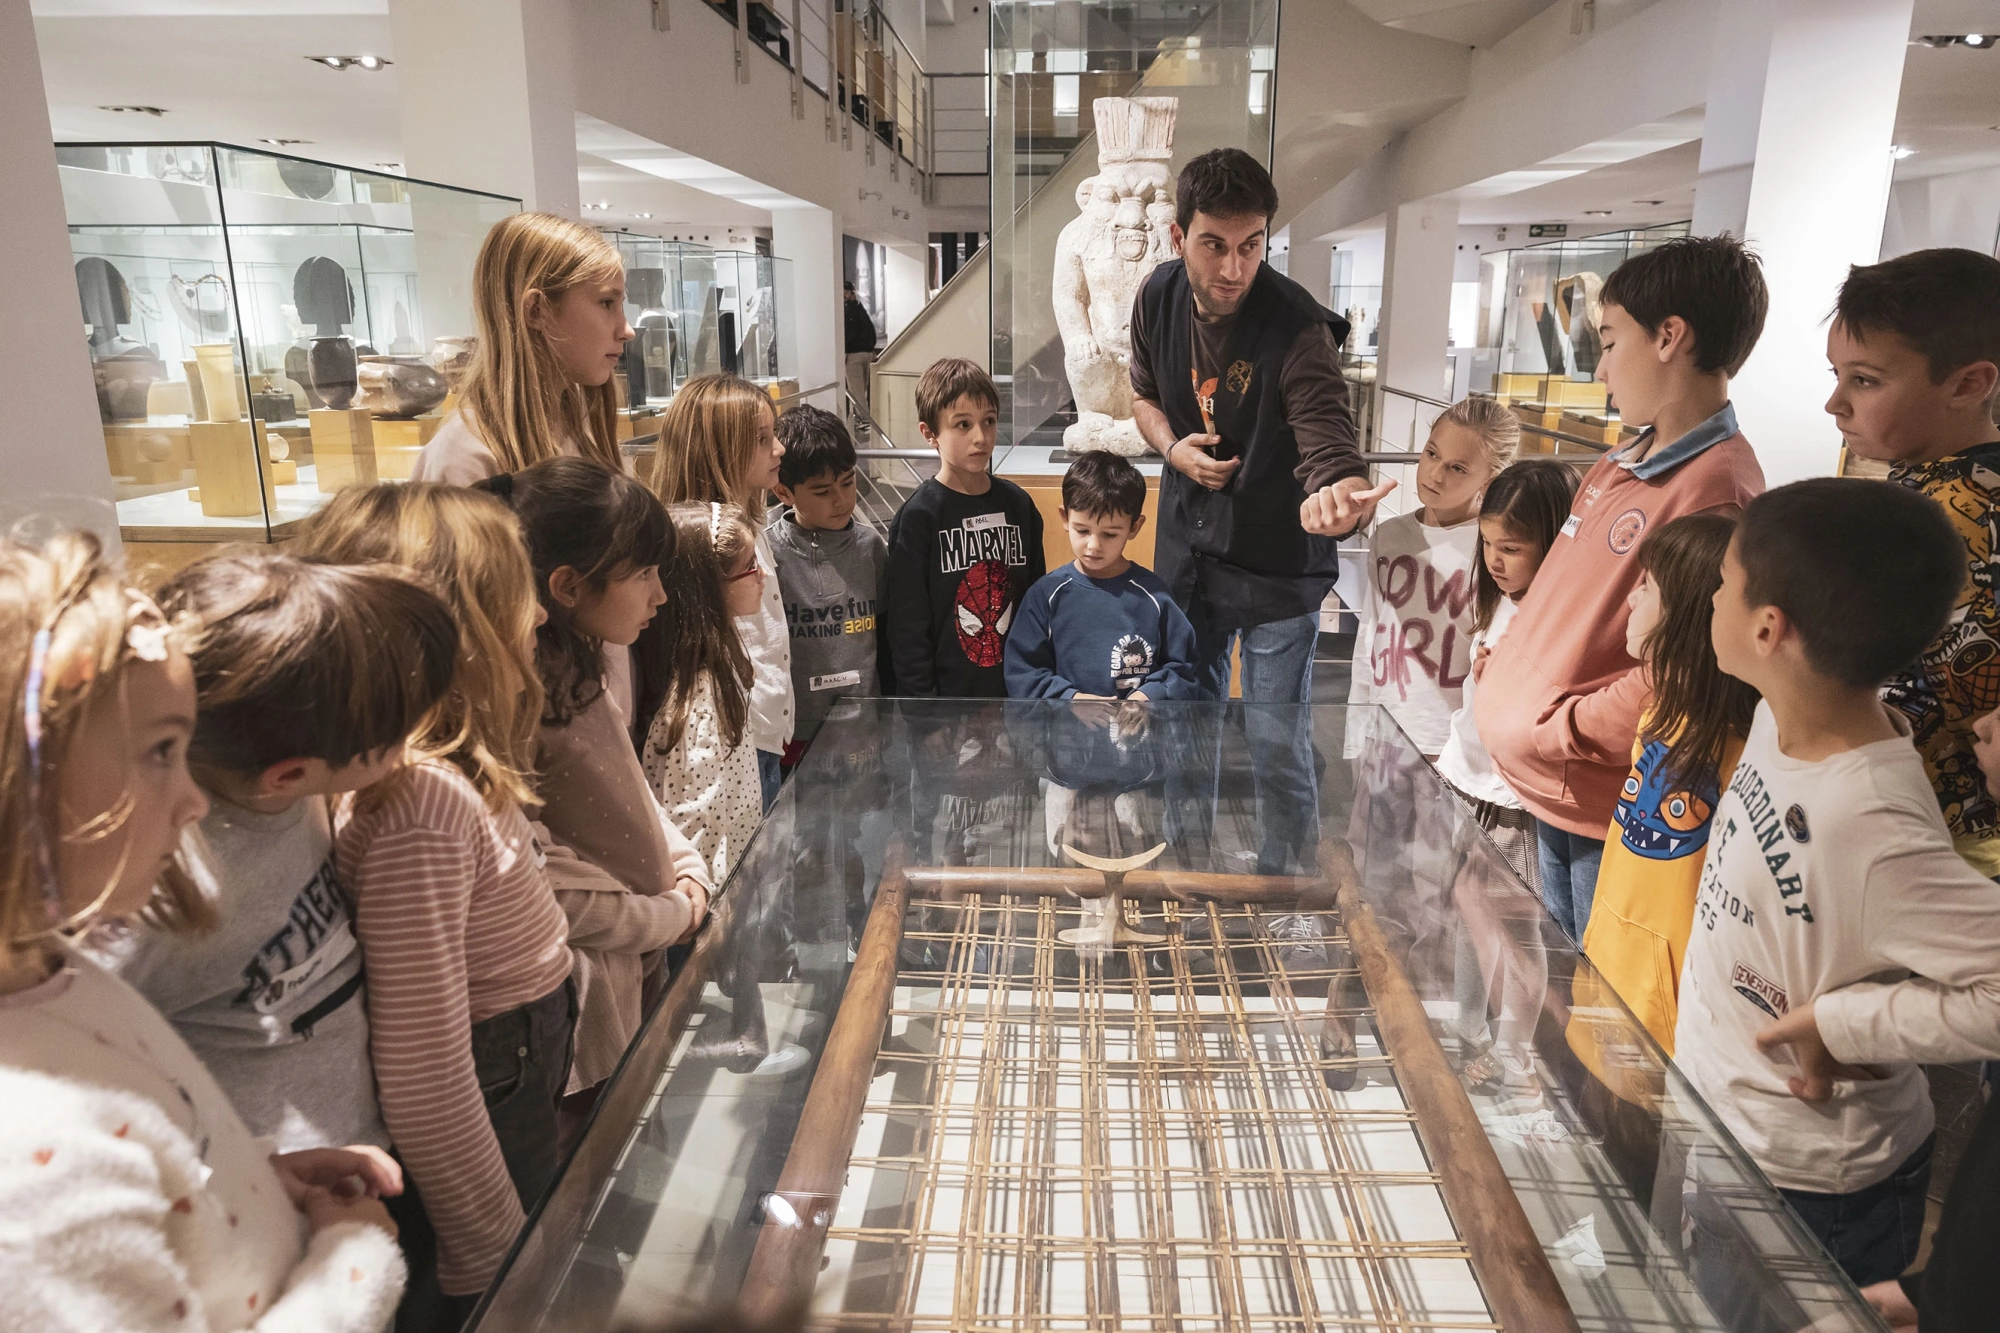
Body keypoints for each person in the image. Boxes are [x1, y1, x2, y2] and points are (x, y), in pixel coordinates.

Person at [0, 531, 406, 1332]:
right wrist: (352, 1265)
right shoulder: (32, 1173)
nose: (192, 802)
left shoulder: (60, 977)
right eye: (159, 752)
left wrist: (245, 1177)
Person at [1674, 478, 2000, 1292]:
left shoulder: (1870, 816)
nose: (1710, 595)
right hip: (1729, 1125)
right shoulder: (1776, 716)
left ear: (1767, 627)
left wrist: (1846, 1024)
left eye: (1722, 583)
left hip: (1813, 1178)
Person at [298, 484, 605, 1325]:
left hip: (520, 1055)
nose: (539, 619)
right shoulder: (420, 804)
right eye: (518, 598)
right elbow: (426, 1064)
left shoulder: (450, 775)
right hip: (493, 1073)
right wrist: (490, 1248)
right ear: (457, 630)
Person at [101, 554, 455, 1160]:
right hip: (266, 1191)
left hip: (356, 1151)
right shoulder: (159, 886)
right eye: (395, 732)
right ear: (286, 775)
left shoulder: (296, 787)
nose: (414, 737)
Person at [1478, 235, 1768, 943]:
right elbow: (1566, 596)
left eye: (1610, 342)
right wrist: (1507, 668)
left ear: (1670, 337)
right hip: (1549, 783)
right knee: (1562, 980)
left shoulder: (1713, 490)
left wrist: (1563, 732)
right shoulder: (1623, 458)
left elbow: (1682, 669)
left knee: (1598, 998)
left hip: (1593, 790)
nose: (1601, 367)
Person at [476, 460, 712, 1107]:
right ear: (568, 586)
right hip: (585, 1005)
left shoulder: (579, 664)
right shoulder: (518, 696)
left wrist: (687, 870)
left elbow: (629, 790)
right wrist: (667, 914)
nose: (659, 596)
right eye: (642, 575)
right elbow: (546, 883)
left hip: (641, 951)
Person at [1128, 147, 1386, 703]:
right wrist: (1174, 450)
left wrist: (1343, 496)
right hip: (1188, 557)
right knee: (1186, 738)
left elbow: (1330, 442)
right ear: (1179, 238)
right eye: (1214, 245)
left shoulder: (1299, 330)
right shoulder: (1155, 297)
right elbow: (1144, 395)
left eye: (1251, 246)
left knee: (1276, 747)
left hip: (1277, 569)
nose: (1234, 269)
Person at [1826, 247, 2000, 877]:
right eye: (1838, 375)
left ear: (1968, 384)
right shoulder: (1919, 490)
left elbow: (1982, 718)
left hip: (1936, 845)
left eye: (1864, 381)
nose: (1835, 403)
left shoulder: (1956, 516)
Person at [1574, 514, 1758, 1059]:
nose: (1631, 601)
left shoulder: (1742, 749)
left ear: (1692, 612)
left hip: (1671, 1012)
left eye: (1649, 587)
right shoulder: (1659, 714)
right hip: (1610, 963)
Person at [646, 374, 794, 811]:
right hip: (732, 740)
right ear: (719, 451)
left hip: (760, 732)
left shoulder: (749, 527)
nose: (779, 449)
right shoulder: (701, 546)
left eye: (775, 435)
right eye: (762, 439)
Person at [1346, 397, 1519, 759]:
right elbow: (1371, 636)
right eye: (1431, 454)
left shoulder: (1491, 547)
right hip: (1384, 732)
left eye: (1457, 468)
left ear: (1490, 479)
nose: (1435, 474)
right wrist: (1356, 729)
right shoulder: (1389, 535)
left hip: (1452, 744)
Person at [1436, 457, 1578, 886]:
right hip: (1466, 776)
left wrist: (1506, 681)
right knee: (1458, 907)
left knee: (1507, 922)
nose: (1494, 561)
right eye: (1486, 543)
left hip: (1513, 799)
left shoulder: (1561, 615)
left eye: (1511, 549)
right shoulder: (1497, 596)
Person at [411, 212, 631, 485]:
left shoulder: (581, 431)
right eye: (607, 303)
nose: (627, 331)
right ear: (537, 311)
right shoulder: (464, 458)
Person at [884, 358, 1045, 698]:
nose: (981, 437)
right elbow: (908, 627)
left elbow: (1035, 606)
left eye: (988, 421)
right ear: (930, 434)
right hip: (948, 699)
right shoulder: (918, 517)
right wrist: (923, 713)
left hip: (1015, 692)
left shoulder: (1020, 506)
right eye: (962, 424)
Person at [1004, 448, 1198, 703]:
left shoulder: (1155, 596)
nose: (1094, 545)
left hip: (1139, 737)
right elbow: (1023, 672)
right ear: (1065, 518)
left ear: (1134, 527)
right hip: (1064, 737)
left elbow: (1183, 668)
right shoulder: (1046, 595)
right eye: (1082, 530)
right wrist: (1070, 699)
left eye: (1109, 534)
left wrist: (1149, 695)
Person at [641, 501, 765, 887]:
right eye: (748, 567)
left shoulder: (720, 663)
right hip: (711, 897)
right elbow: (693, 817)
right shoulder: (695, 698)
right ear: (710, 588)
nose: (761, 575)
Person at [768, 404, 888, 767]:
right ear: (785, 492)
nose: (841, 500)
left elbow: (887, 634)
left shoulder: (871, 548)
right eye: (822, 492)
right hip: (796, 732)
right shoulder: (768, 553)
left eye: (848, 482)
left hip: (864, 726)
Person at [843, 280, 878, 433]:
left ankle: (863, 421)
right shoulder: (859, 308)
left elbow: (847, 334)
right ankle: (863, 419)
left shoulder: (846, 311)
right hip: (866, 353)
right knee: (861, 390)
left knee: (856, 391)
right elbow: (871, 330)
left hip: (854, 355)